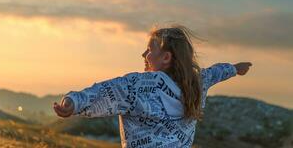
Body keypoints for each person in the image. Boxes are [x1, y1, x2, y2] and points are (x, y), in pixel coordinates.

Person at [53, 24, 252, 148]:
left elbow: (104, 92)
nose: (144, 56)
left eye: (149, 50)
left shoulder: (138, 86)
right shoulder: (196, 83)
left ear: (166, 58)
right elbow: (217, 72)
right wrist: (236, 68)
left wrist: (72, 102)